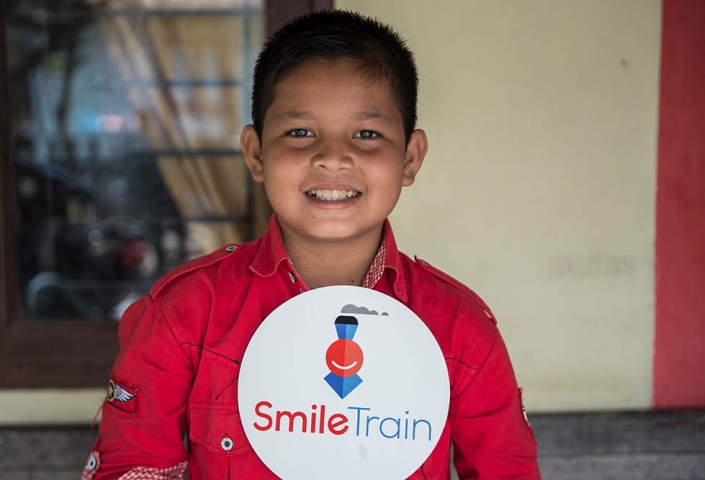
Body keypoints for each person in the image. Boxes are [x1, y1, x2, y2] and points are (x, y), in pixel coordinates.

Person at [82, 10, 540, 480]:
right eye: (300, 132)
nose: (332, 158)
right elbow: (132, 467)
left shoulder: (460, 330)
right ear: (256, 153)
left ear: (410, 157)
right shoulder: (185, 313)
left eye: (367, 134)